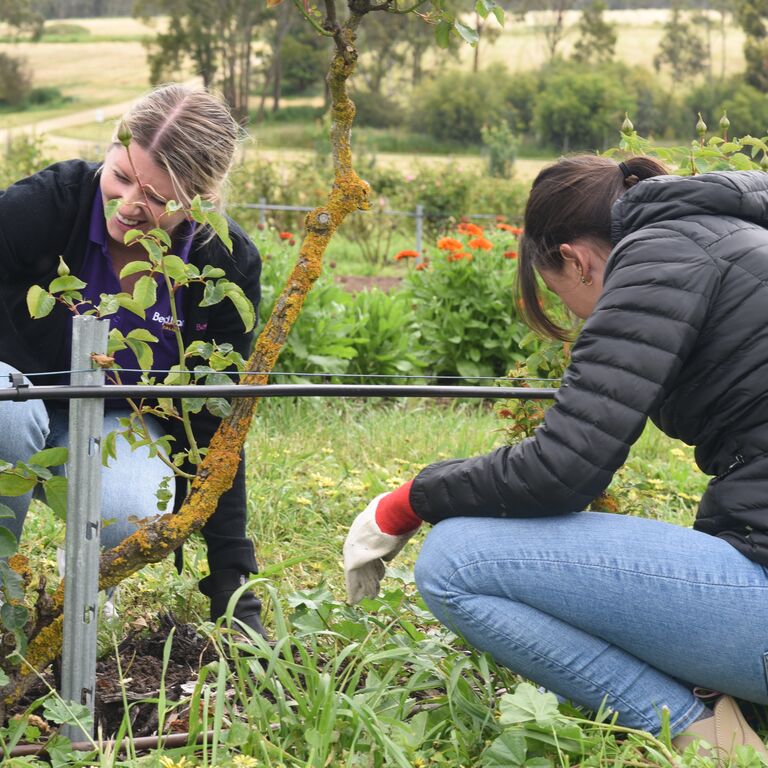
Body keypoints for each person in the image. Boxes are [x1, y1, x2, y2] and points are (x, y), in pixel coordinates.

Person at [344, 155, 768, 763]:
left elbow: (561, 470)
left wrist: (407, 501)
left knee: (453, 562)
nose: (571, 314)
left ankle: (701, 731)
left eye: (556, 292)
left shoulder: (655, 258)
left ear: (575, 259)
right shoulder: (732, 233)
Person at [0, 84, 266, 637]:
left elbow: (216, 424)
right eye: (120, 176)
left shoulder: (222, 266)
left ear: (202, 197)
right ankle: (4, 586)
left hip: (118, 417)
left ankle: (88, 585)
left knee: (134, 508)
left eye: (158, 198)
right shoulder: (43, 208)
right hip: (14, 394)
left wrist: (234, 591)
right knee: (8, 413)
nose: (127, 205)